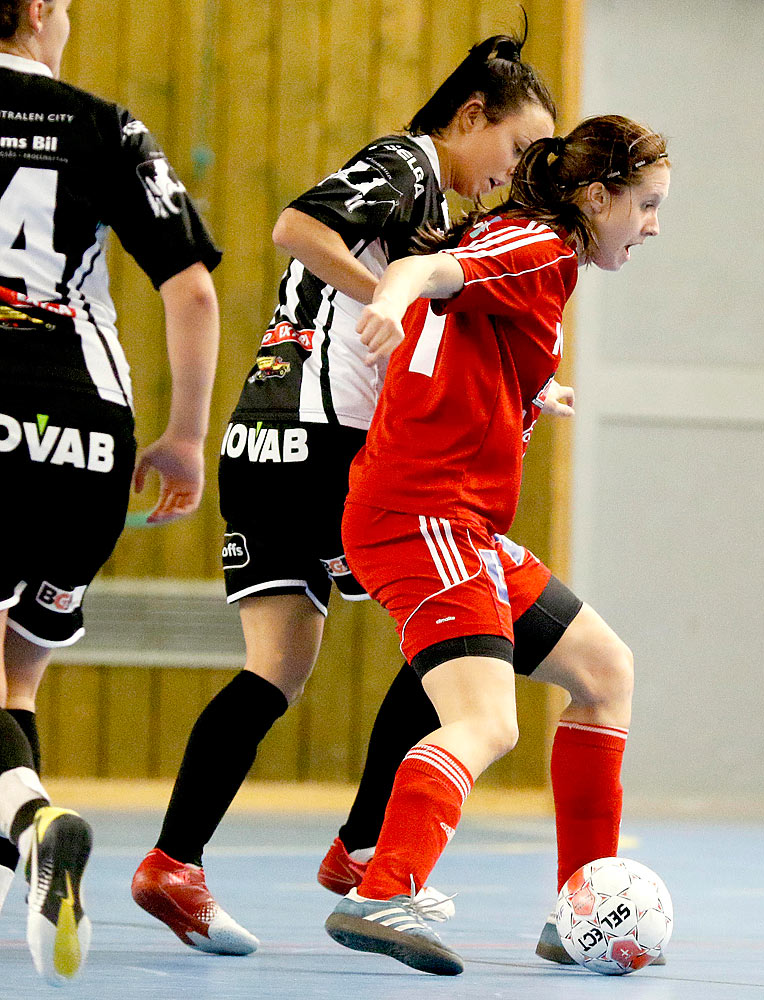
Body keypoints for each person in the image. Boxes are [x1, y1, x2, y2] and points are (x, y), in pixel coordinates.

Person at [130, 27, 558, 956]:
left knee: (276, 666)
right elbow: (297, 226)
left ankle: (173, 863)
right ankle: (365, 849)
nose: (512, 174)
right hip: (322, 447)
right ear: (471, 117)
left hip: (262, 442)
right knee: (458, 620)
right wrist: (385, 301)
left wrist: (523, 383)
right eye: (516, 150)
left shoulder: (432, 210)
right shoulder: (407, 161)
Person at [320, 114, 670, 976]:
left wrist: (530, 389)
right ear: (597, 198)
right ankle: (381, 889)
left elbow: (472, 315)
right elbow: (423, 271)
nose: (653, 225)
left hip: (455, 520)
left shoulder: (530, 246)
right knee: (484, 720)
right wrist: (392, 305)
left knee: (603, 671)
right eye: (647, 205)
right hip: (420, 517)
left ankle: (579, 909)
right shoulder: (545, 248)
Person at [0, 0, 222, 983]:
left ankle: (31, 822)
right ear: (42, 8)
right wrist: (182, 437)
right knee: (12, 674)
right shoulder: (105, 124)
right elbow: (193, 287)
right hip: (86, 444)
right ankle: (27, 867)